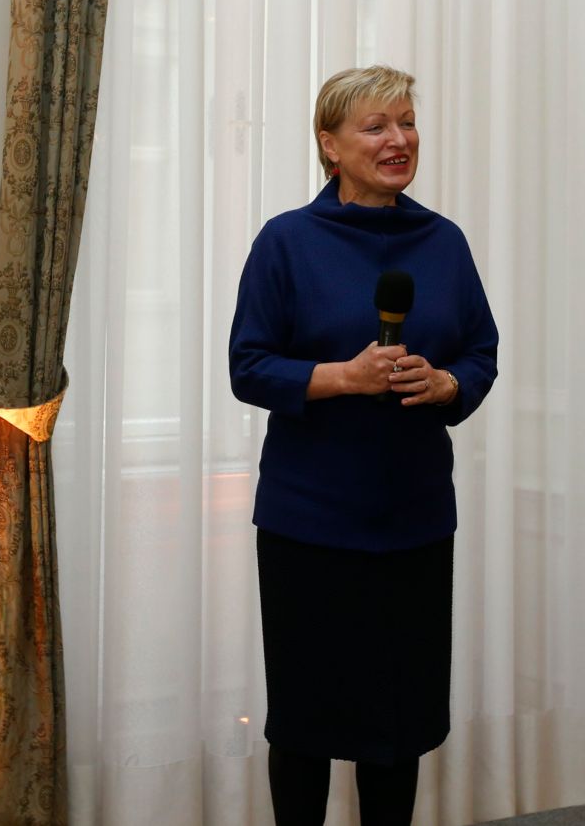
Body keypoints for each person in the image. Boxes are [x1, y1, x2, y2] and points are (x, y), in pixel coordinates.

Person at [228, 65, 498, 826]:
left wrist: (446, 385)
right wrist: (341, 377)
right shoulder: (286, 241)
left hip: (413, 522)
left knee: (398, 724)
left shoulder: (442, 241)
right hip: (308, 525)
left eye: (407, 121)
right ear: (330, 144)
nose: (400, 139)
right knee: (308, 724)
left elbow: (481, 349)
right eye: (377, 125)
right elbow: (248, 365)